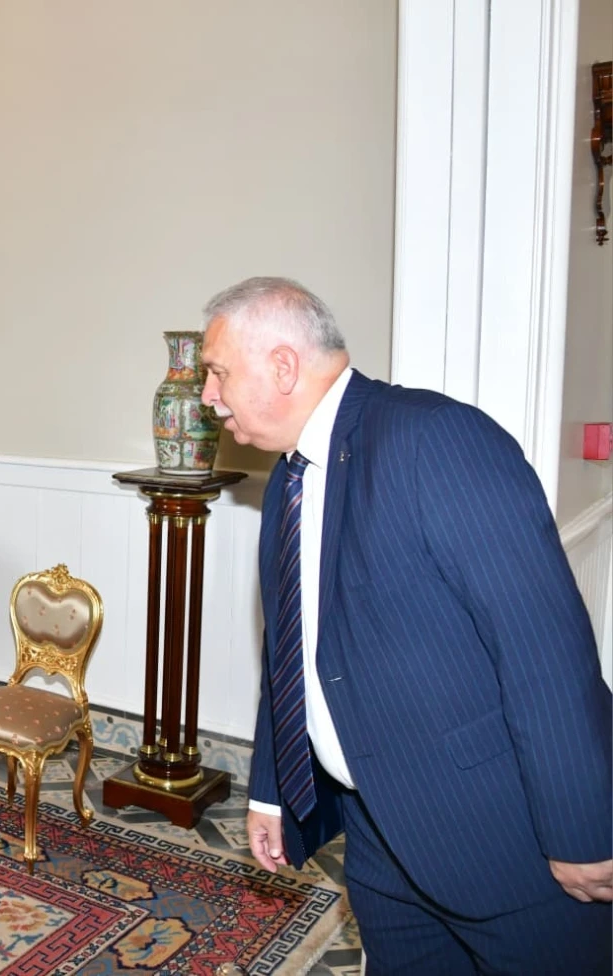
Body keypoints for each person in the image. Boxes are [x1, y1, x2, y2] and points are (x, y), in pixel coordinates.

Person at [198, 277, 611, 973]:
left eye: (218, 373)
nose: (210, 396)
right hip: (381, 845)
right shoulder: (290, 479)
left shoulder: (437, 439)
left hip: (509, 845)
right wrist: (271, 790)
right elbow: (291, 654)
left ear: (282, 366)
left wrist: (583, 830)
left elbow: (544, 649)